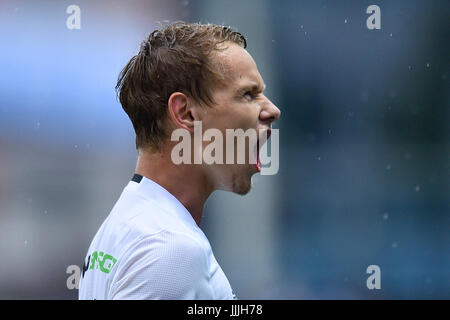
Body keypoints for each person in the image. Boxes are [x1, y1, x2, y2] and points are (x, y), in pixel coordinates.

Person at [78, 21, 280, 300]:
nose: (272, 110)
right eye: (248, 94)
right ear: (185, 113)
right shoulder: (169, 248)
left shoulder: (128, 225)